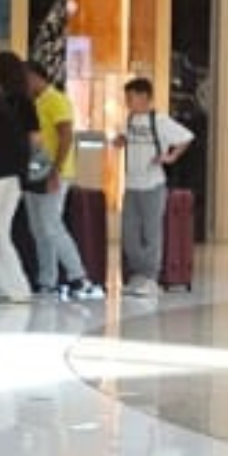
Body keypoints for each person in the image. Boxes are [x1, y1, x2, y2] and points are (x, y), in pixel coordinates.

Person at [24, 60, 102, 300]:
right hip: (35, 172)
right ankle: (46, 281)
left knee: (51, 226)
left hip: (55, 173)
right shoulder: (34, 102)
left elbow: (66, 135)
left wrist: (56, 170)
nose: (23, 83)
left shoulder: (55, 99)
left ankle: (79, 278)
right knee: (39, 229)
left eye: (25, 78)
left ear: (37, 76)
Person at [111, 75, 193, 295]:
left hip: (153, 185)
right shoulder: (129, 120)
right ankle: (138, 274)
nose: (128, 101)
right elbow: (122, 138)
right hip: (131, 185)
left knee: (151, 233)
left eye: (131, 97)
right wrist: (119, 141)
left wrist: (171, 156)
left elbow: (186, 137)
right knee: (129, 233)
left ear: (144, 97)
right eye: (126, 97)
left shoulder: (160, 120)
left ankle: (151, 277)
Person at [0, 49, 35, 303]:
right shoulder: (23, 100)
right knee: (0, 232)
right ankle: (14, 287)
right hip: (15, 175)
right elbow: (34, 141)